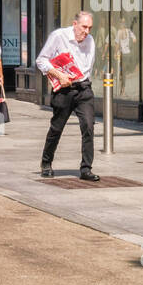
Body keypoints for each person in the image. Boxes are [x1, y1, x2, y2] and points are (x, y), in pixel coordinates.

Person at [36, 11, 99, 180]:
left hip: (84, 88)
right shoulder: (59, 36)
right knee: (57, 127)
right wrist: (59, 75)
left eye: (89, 28)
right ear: (74, 24)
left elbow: (88, 66)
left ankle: (86, 169)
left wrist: (84, 83)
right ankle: (46, 163)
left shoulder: (90, 41)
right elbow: (41, 60)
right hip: (64, 89)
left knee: (88, 126)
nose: (86, 31)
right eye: (84, 27)